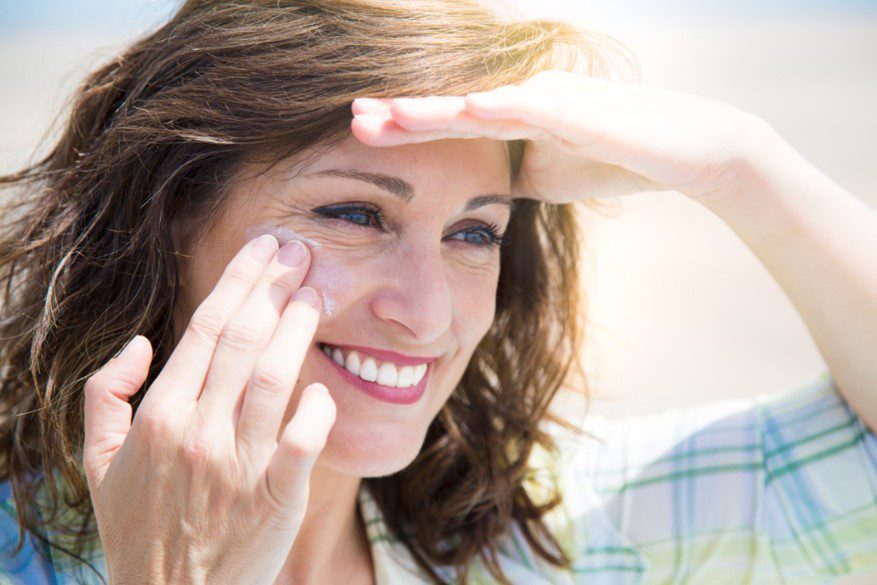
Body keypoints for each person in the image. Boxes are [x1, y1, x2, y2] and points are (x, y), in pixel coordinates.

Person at [1, 1, 875, 583]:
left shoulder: (546, 535)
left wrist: (740, 166)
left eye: (474, 232)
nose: (424, 314)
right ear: (170, 219)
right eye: (354, 212)